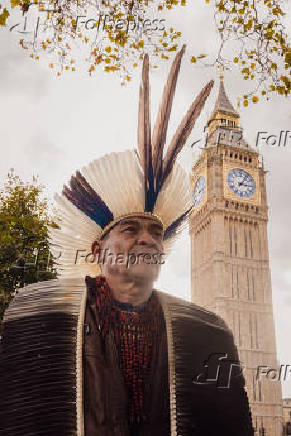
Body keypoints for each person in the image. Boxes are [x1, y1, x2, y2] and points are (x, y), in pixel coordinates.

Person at [0, 46, 254, 436]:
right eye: (131, 230)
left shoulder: (206, 332)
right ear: (98, 250)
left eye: (156, 232)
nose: (148, 240)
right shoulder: (42, 317)